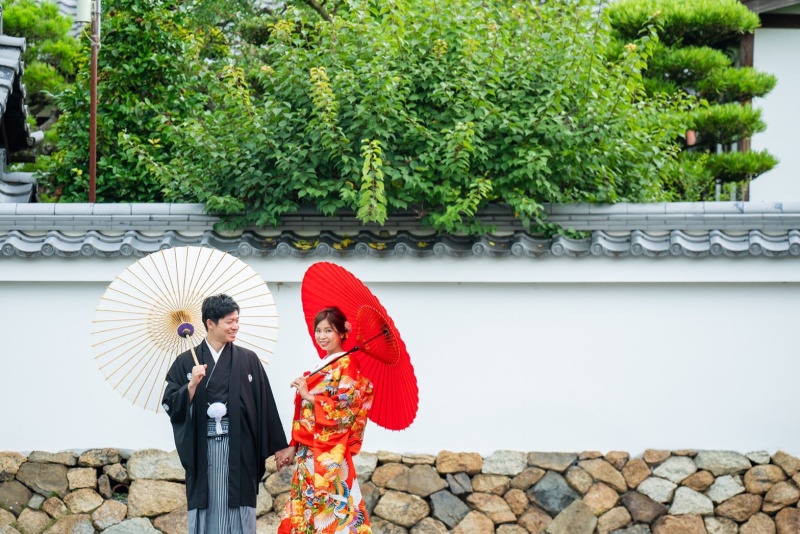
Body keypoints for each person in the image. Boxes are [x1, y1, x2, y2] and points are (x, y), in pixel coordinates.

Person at [162, 293, 289, 534]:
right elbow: (170, 403)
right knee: (207, 504)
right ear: (210, 323)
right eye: (229, 321)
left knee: (237, 505)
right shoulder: (184, 362)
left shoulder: (248, 360)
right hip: (202, 446)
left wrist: (279, 446)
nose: (235, 326)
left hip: (239, 448)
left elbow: (265, 404)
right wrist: (190, 386)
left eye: (237, 320)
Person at [275, 306, 374, 533]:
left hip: (328, 455)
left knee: (331, 516)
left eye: (328, 330)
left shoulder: (348, 365)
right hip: (308, 453)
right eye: (318, 330)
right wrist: (293, 445)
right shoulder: (324, 365)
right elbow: (305, 415)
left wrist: (309, 395)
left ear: (342, 333)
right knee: (306, 514)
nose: (322, 336)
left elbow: (346, 410)